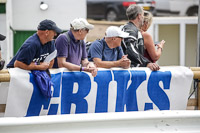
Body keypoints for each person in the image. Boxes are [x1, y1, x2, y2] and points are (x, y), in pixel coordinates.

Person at [121, 5, 160, 71]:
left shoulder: (129, 28)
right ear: (139, 16)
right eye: (142, 15)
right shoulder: (131, 30)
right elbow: (130, 49)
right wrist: (147, 63)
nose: (143, 17)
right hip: (129, 72)